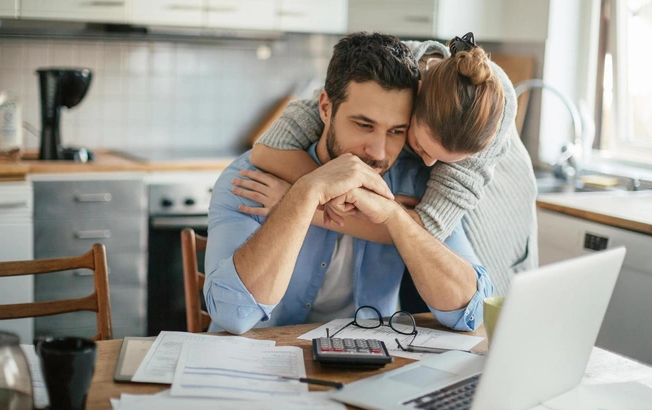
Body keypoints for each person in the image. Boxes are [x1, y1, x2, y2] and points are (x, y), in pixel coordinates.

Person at [204, 32, 493, 335]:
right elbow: (233, 315)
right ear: (326, 108)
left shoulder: (416, 185)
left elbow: (471, 311)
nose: (379, 152)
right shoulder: (253, 178)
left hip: (367, 372)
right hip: (260, 367)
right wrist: (305, 193)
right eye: (364, 125)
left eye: (396, 131)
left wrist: (395, 216)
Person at [246, 33, 537, 297]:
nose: (427, 162)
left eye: (445, 162)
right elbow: (268, 150)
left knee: (487, 311)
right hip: (409, 234)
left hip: (495, 222)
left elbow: (425, 231)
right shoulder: (390, 72)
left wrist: (303, 206)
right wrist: (321, 192)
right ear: (415, 98)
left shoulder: (493, 113)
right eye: (420, 145)